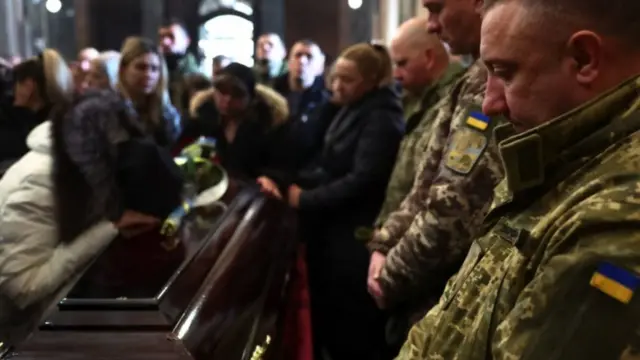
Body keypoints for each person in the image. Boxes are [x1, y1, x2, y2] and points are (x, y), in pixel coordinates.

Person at [396, 0, 640, 358]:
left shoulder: (616, 220)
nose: (490, 103)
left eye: (505, 72)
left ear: (584, 59)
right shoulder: (558, 158)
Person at [366, 0, 506, 325]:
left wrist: (391, 273)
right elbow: (425, 185)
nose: (431, 24)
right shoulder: (473, 77)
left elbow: (454, 207)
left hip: (443, 300)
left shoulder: (488, 82)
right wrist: (384, 243)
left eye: (437, 8)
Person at [267, 42, 404, 360]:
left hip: (353, 232)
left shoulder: (382, 117)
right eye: (335, 77)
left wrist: (306, 199)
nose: (337, 85)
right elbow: (324, 159)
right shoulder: (351, 107)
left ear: (371, 81)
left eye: (347, 79)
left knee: (351, 326)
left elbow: (362, 180)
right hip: (335, 226)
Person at [375, 16, 465, 229]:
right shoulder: (416, 100)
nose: (396, 74)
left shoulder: (458, 99)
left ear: (429, 57)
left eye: (402, 63)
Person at [272, 39, 330, 170]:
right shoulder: (272, 96)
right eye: (298, 55)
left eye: (309, 57)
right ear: (289, 62)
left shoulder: (328, 103)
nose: (302, 61)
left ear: (320, 66)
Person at [158, 19, 200, 114]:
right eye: (161, 37)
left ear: (186, 41)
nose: (165, 42)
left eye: (171, 37)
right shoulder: (154, 72)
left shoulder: (195, 77)